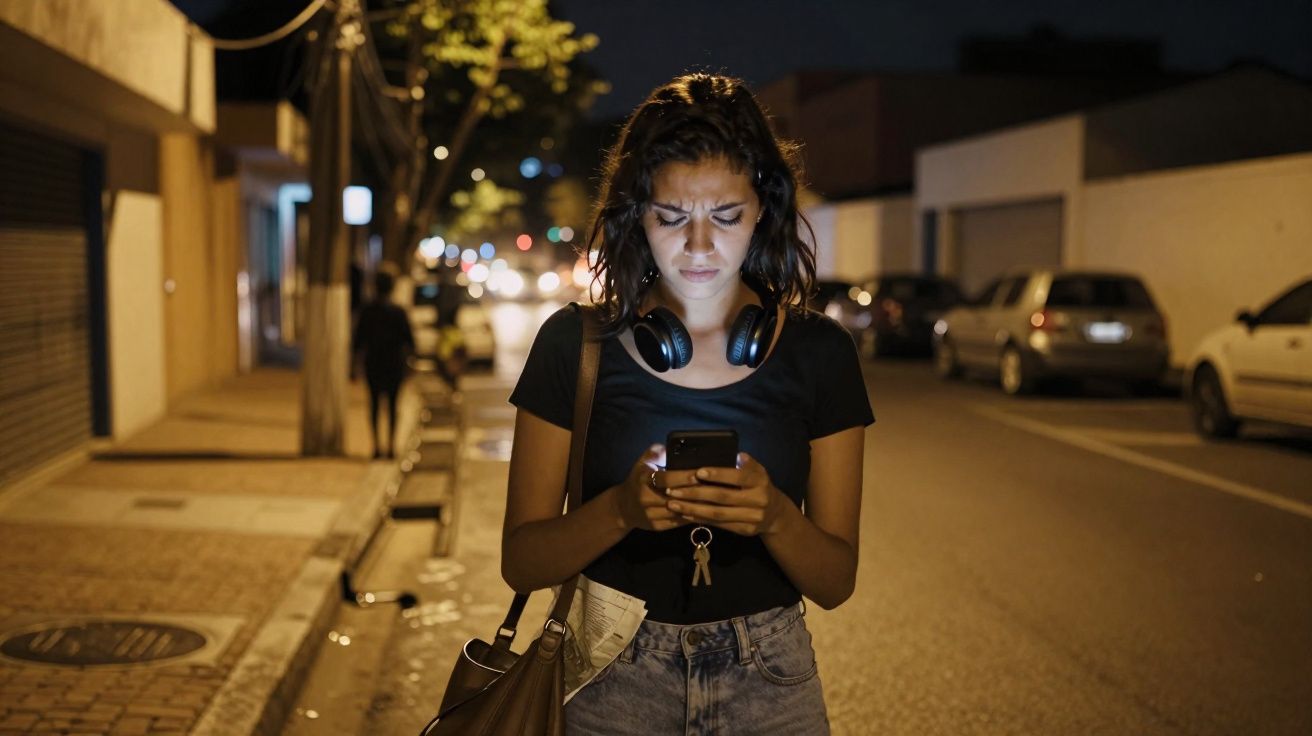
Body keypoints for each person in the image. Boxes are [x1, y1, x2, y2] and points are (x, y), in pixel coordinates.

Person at [502, 73, 874, 734]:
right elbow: (523, 562)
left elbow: (835, 580)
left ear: (763, 208)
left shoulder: (821, 354)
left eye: (726, 216)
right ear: (637, 215)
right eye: (671, 217)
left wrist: (775, 518)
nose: (699, 247)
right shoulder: (575, 345)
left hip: (771, 680)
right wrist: (619, 510)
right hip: (608, 675)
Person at [352, 268, 415, 459]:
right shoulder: (398, 312)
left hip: (374, 364)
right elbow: (410, 341)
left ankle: (376, 447)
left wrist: (353, 367)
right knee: (393, 406)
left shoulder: (367, 311)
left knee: (374, 405)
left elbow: (357, 342)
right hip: (394, 365)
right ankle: (390, 446)